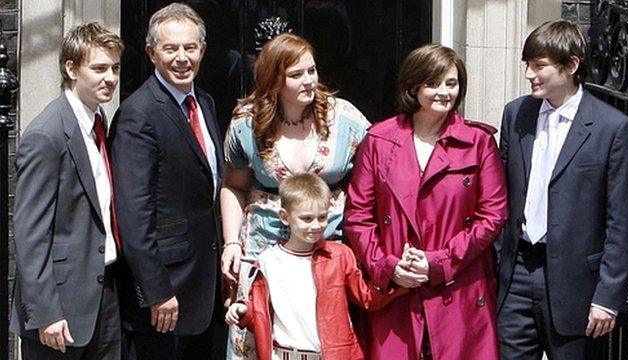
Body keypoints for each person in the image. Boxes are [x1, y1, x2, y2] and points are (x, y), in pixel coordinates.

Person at [344, 43, 507, 359]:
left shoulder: (479, 142)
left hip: (458, 291)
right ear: (414, 86)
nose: (444, 92)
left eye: (452, 83)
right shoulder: (379, 140)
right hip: (395, 293)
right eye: (434, 83)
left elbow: (492, 216)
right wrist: (388, 267)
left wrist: (440, 262)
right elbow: (358, 215)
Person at [220, 33, 370, 359]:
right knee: (256, 334)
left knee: (324, 335)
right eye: (296, 74)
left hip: (328, 247)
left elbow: (374, 177)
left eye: (311, 71)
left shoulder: (344, 118)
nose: (308, 81)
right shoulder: (248, 124)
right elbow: (234, 186)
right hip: (264, 246)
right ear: (274, 79)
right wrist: (231, 242)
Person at [497, 20, 628, 359]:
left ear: (571, 65)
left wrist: (608, 297)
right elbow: (500, 191)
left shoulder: (614, 128)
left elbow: (623, 221)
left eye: (539, 66)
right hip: (516, 274)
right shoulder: (516, 113)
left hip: (578, 285)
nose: (530, 74)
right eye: (527, 65)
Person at [109, 3, 223, 359]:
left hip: (206, 288)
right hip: (165, 297)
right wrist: (156, 290)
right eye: (170, 49)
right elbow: (133, 214)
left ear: (202, 50)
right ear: (151, 53)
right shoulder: (137, 114)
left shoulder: (203, 102)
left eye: (190, 48)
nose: (181, 58)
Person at [10, 23, 123, 359]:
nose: (111, 78)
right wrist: (46, 312)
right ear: (71, 68)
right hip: (60, 308)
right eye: (99, 68)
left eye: (115, 68)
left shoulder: (97, 120)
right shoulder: (47, 135)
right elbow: (30, 233)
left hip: (104, 295)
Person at [225, 173, 406, 360]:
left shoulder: (339, 256)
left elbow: (366, 297)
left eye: (322, 217)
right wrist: (242, 311)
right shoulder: (267, 261)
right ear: (285, 217)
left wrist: (398, 278)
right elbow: (260, 314)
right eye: (307, 218)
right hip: (283, 355)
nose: (316, 225)